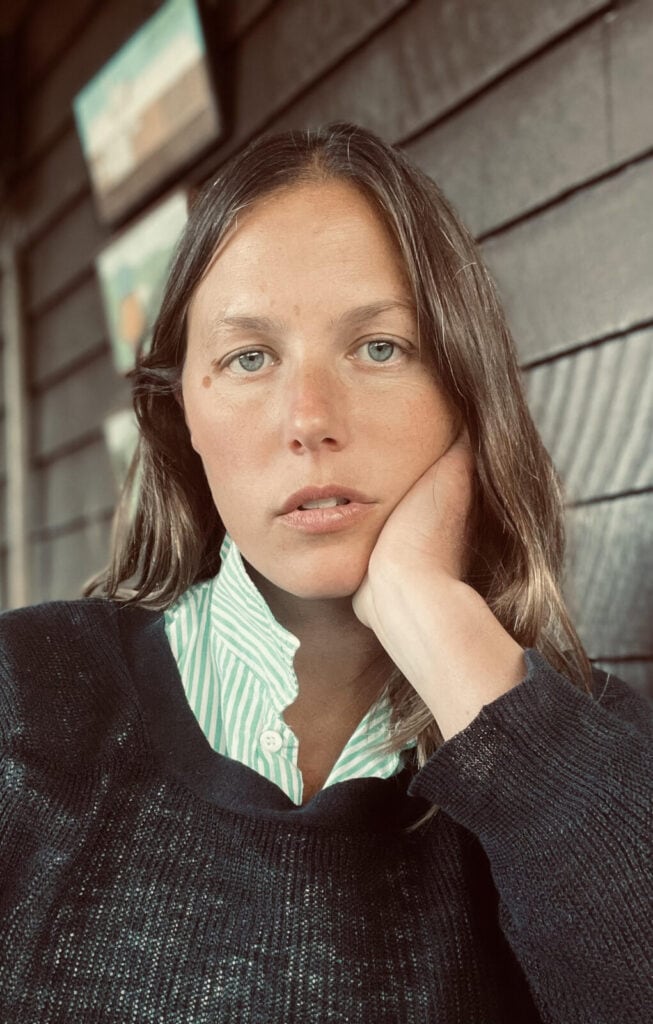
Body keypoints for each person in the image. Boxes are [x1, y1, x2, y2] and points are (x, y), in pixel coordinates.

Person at [0, 122, 650, 1023]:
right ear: (180, 413)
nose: (309, 418)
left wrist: (441, 626)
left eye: (379, 348)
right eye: (248, 357)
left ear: (467, 390)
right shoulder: (23, 695)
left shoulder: (596, 764)